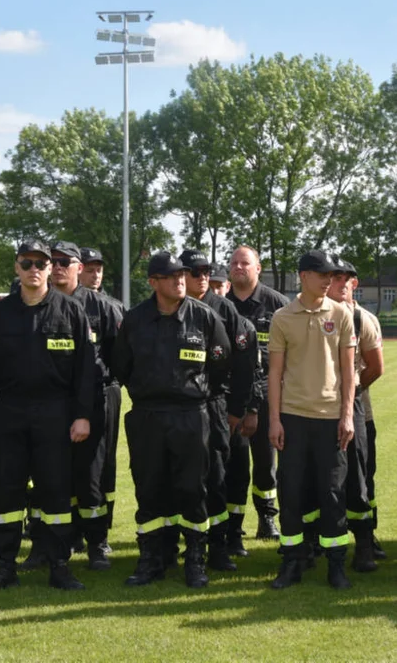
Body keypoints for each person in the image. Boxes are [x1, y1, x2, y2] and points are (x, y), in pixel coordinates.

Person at [0, 240, 95, 594]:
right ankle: (4, 566)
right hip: (9, 411)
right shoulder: (0, 313)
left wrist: (82, 416)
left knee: (55, 491)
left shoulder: (71, 312)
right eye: (28, 263)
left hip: (55, 413)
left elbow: (86, 372)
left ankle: (59, 566)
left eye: (43, 263)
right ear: (17, 268)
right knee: (7, 491)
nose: (35, 269)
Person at [112, 251, 230, 588]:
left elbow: (220, 365)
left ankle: (195, 560)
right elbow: (122, 365)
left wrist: (195, 391)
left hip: (191, 415)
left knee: (192, 489)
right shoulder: (134, 320)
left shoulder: (204, 317)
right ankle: (153, 558)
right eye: (171, 276)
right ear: (153, 282)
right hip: (147, 417)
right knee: (150, 488)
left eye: (183, 274)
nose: (181, 279)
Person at [267, 250, 357, 590]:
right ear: (303, 276)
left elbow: (349, 371)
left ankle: (336, 565)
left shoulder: (341, 314)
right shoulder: (282, 317)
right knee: (291, 493)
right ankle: (292, 562)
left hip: (330, 418)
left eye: (332, 275)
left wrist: (347, 415)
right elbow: (274, 374)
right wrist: (274, 420)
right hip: (292, 418)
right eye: (323, 274)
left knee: (333, 492)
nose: (329, 280)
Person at [180, 249, 258, 573]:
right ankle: (177, 545)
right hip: (180, 409)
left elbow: (244, 367)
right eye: (193, 271)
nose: (200, 277)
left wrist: (237, 410)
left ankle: (221, 546)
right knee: (182, 479)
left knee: (221, 479)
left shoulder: (225, 310)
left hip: (218, 407)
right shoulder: (172, 310)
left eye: (205, 271)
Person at [47, 241, 122, 572]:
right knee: (51, 475)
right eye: (53, 261)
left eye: (66, 261)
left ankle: (97, 542)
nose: (58, 266)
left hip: (93, 400)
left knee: (92, 474)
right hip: (50, 402)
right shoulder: (38, 304)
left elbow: (120, 357)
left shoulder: (102, 307)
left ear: (80, 267)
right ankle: (53, 542)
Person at [226, 245, 290, 540]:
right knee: (233, 463)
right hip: (230, 397)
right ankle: (232, 524)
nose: (239, 267)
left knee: (266, 463)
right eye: (234, 263)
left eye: (245, 263)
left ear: (258, 268)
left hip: (268, 395)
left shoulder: (277, 304)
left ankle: (267, 519)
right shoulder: (220, 304)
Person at [326, 256, 384, 573]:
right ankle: (318, 542)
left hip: (360, 414)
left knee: (362, 481)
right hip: (318, 412)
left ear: (354, 283)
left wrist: (354, 391)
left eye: (344, 278)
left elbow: (375, 367)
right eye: (333, 277)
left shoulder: (364, 320)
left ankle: (365, 541)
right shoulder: (316, 316)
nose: (338, 283)